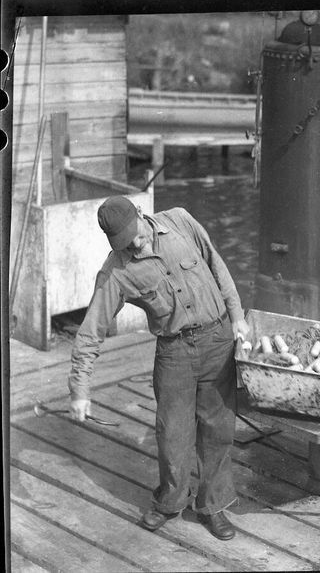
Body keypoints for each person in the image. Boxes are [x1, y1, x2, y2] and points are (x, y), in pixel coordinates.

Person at [68, 195, 250, 541]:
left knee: (217, 429)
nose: (135, 245)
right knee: (172, 434)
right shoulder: (116, 271)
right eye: (125, 242)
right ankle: (170, 502)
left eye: (136, 235)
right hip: (174, 352)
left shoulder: (181, 220)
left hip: (218, 339)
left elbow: (218, 265)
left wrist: (237, 316)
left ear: (141, 213)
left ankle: (213, 506)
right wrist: (79, 390)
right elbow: (91, 330)